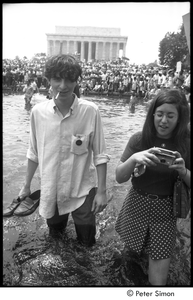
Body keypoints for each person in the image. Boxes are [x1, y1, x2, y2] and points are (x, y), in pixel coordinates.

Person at [18, 54, 110, 247]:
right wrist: (26, 186)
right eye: (57, 79)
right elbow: (33, 152)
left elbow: (100, 154)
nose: (63, 85)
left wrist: (102, 191)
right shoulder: (38, 113)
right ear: (48, 80)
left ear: (77, 80)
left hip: (82, 189)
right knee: (55, 240)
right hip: (52, 189)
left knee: (87, 244)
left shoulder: (90, 111)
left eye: (70, 79)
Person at [115, 89, 190, 286]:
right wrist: (133, 159)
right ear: (152, 115)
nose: (163, 120)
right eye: (159, 114)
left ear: (180, 118)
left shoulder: (187, 144)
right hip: (136, 204)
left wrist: (183, 171)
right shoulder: (139, 140)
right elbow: (119, 177)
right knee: (129, 260)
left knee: (158, 282)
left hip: (165, 212)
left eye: (170, 115)